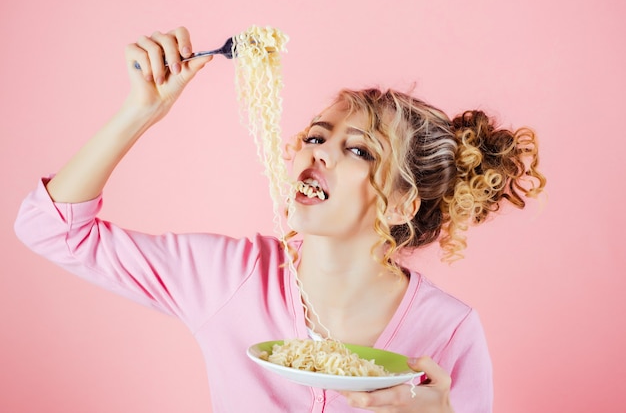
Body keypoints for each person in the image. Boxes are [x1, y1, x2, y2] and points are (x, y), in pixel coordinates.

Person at [14, 26, 545, 412]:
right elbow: (51, 229)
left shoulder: (448, 330)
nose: (319, 153)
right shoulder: (229, 277)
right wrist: (142, 111)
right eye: (315, 136)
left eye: (358, 151)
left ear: (403, 204)